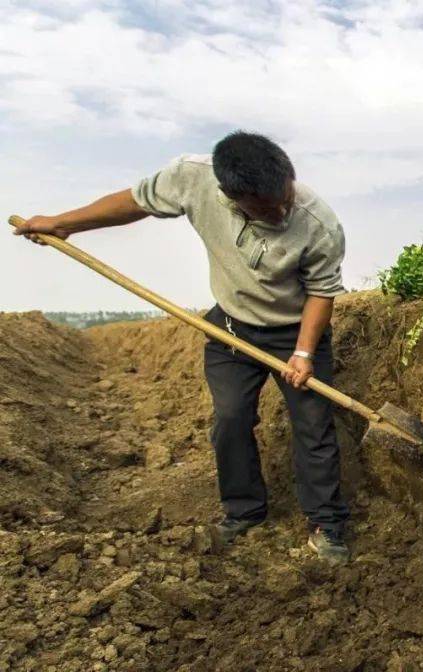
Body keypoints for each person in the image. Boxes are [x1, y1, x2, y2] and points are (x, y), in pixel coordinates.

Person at [14, 131, 350, 564]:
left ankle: (327, 526)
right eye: (268, 208)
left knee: (313, 426)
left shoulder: (319, 223)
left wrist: (303, 353)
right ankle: (244, 512)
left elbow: (322, 293)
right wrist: (64, 223)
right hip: (231, 328)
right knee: (229, 420)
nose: (282, 210)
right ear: (232, 197)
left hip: (295, 329)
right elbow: (135, 201)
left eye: (285, 197)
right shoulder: (193, 178)